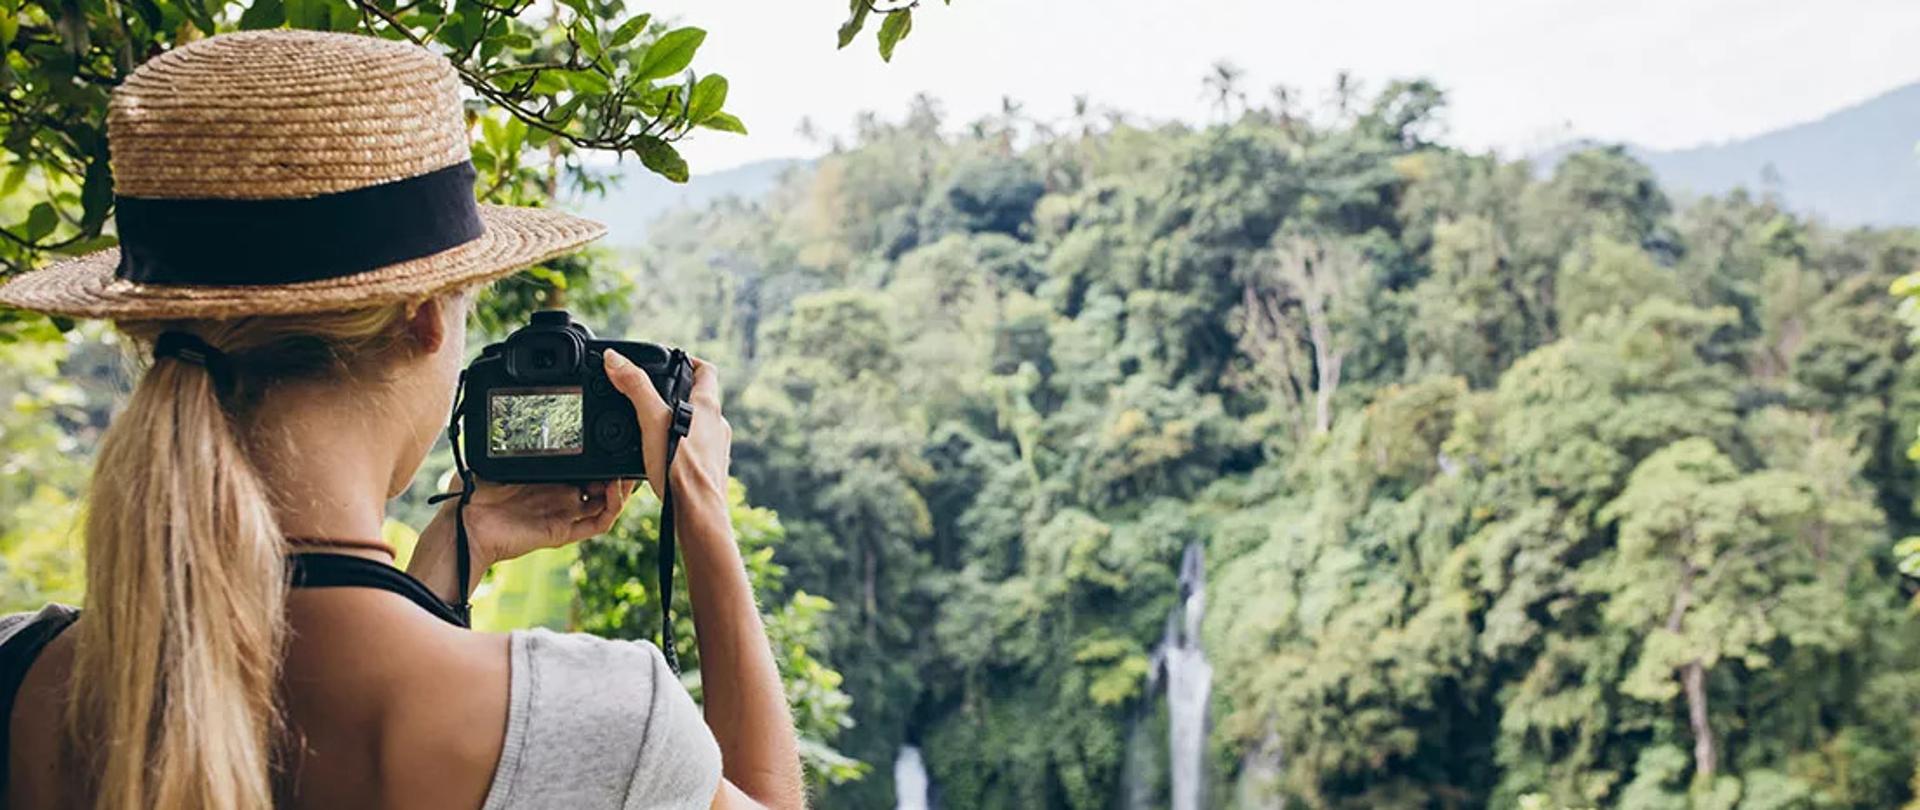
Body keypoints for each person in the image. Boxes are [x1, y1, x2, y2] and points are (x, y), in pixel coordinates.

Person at [0, 29, 804, 810]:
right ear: (424, 317)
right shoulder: (600, 720)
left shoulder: (21, 674)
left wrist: (451, 558)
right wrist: (701, 508)